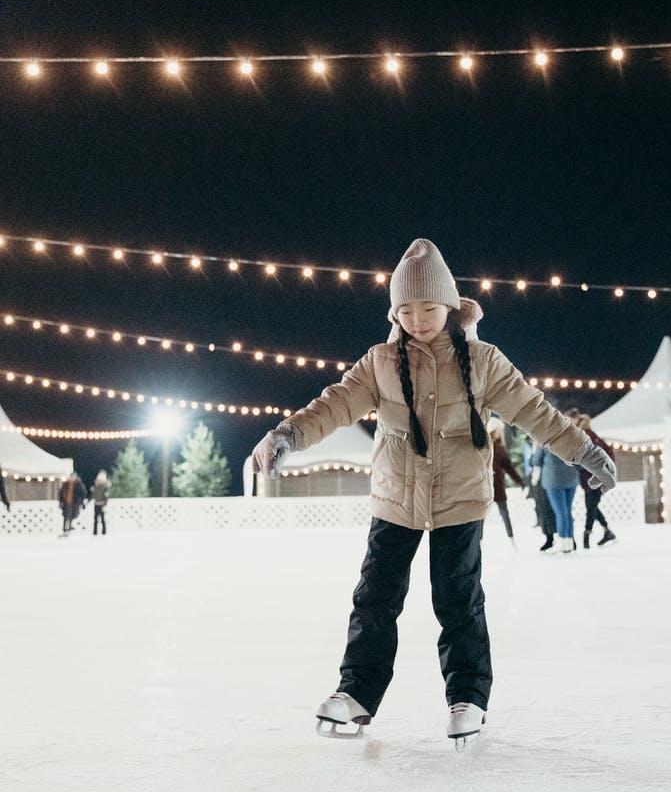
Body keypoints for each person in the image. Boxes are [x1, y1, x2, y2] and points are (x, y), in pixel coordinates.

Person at [252, 237, 616, 746]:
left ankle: (467, 698)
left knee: (458, 599)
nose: (418, 319)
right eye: (406, 309)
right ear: (395, 311)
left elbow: (535, 411)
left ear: (449, 305)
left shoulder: (484, 361)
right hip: (394, 499)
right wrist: (287, 433)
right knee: (375, 598)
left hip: (459, 500)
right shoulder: (380, 361)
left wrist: (585, 452)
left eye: (427, 307)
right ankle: (356, 693)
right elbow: (333, 404)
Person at [570, 411, 617, 548]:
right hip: (593, 478)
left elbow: (593, 457)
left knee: (591, 507)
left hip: (595, 478)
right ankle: (607, 531)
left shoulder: (587, 437)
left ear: (576, 420)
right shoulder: (590, 435)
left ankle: (587, 535)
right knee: (592, 506)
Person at [530, 439, 581, 554]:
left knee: (560, 512)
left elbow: (536, 461)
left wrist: (534, 451)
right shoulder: (570, 438)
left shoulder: (545, 439)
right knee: (567, 511)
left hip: (554, 480)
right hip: (571, 478)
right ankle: (569, 542)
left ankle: (562, 542)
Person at [489, 423, 524, 545]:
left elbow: (508, 467)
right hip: (486, 485)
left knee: (504, 512)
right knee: (480, 516)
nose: (499, 433)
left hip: (496, 485)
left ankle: (511, 538)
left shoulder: (499, 448)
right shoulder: (485, 446)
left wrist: (519, 481)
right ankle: (478, 541)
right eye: (498, 430)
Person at [526, 438, 557, 550]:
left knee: (546, 509)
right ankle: (560, 537)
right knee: (552, 509)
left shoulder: (541, 443)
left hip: (543, 481)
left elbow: (534, 461)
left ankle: (550, 538)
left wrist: (533, 453)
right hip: (546, 479)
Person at [90, 469, 111, 535]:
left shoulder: (105, 487)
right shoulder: (96, 486)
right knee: (95, 518)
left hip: (102, 504)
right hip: (96, 503)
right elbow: (93, 495)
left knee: (102, 519)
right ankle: (95, 531)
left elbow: (106, 496)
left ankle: (104, 531)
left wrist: (105, 504)